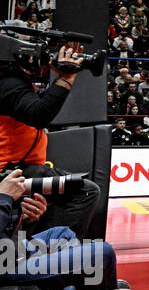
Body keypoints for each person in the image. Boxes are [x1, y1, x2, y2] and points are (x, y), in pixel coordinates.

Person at [0, 169, 136, 290]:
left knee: (61, 234)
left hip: (10, 253)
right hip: (6, 265)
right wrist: (4, 198)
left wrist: (21, 219)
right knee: (102, 253)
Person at [0, 40, 102, 238]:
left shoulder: (11, 80)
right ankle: (51, 256)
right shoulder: (8, 82)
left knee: (46, 202)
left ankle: (36, 247)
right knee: (84, 192)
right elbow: (39, 114)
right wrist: (66, 78)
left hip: (21, 166)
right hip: (10, 170)